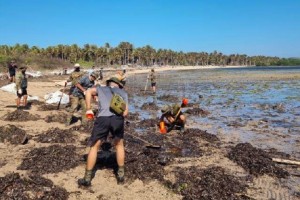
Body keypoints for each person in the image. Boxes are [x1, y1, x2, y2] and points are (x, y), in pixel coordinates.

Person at [78, 76, 128, 187]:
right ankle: (120, 176)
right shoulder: (123, 93)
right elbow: (125, 113)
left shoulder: (101, 89)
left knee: (94, 147)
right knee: (119, 145)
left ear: (108, 83)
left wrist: (89, 108)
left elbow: (88, 92)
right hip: (117, 120)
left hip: (103, 119)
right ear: (119, 85)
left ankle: (87, 178)